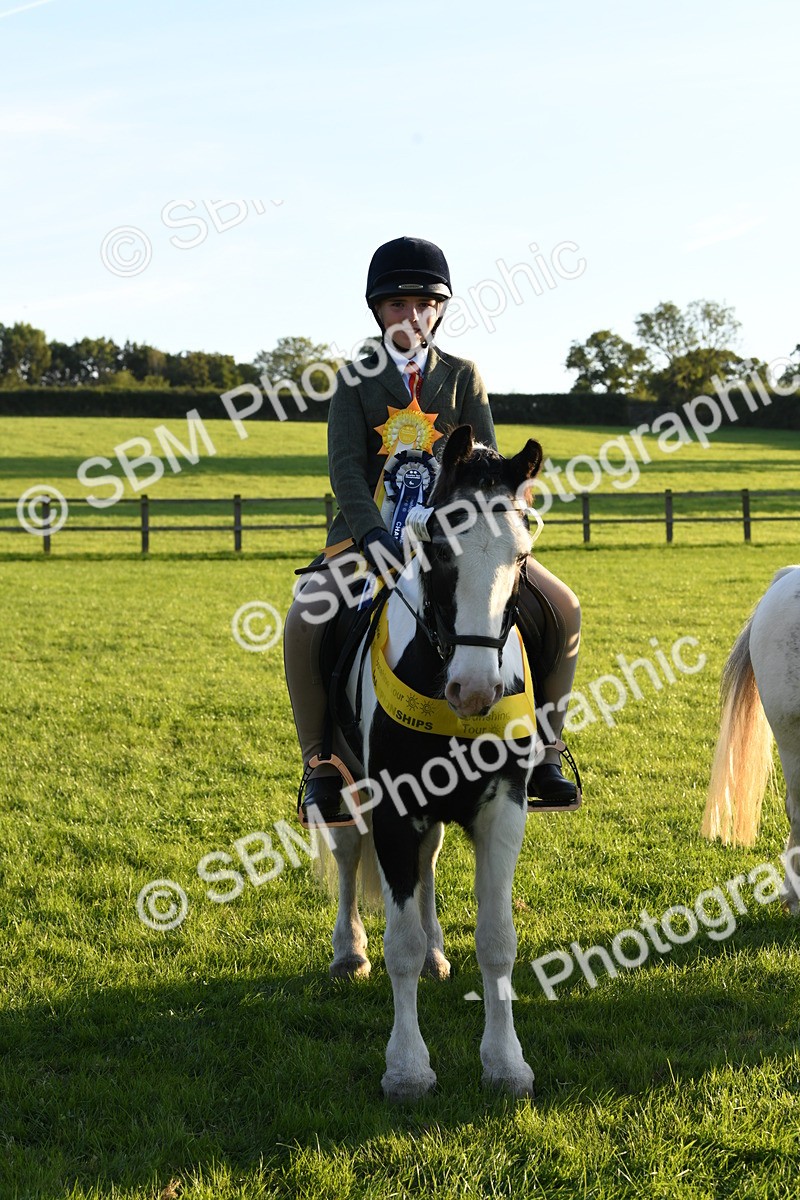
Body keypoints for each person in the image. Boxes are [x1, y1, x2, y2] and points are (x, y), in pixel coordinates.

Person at [283, 236, 581, 822]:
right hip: (367, 536)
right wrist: (373, 538)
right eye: (398, 305)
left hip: (458, 536)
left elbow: (490, 458)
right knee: (306, 616)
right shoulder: (353, 379)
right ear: (378, 310)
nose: (412, 316)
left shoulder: (463, 375)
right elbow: (345, 470)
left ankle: (547, 747)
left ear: (439, 309)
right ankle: (321, 763)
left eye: (424, 304)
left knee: (565, 607)